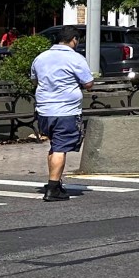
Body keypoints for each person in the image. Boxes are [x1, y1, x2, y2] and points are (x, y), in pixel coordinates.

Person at [30, 24, 93, 201]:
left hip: (44, 109)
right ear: (74, 40)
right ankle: (52, 190)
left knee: (54, 145)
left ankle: (55, 183)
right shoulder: (76, 58)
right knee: (60, 148)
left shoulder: (41, 57)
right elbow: (88, 83)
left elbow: (35, 80)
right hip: (66, 110)